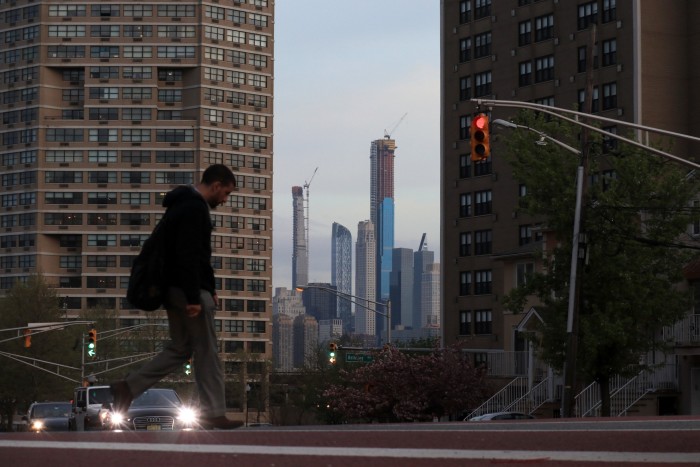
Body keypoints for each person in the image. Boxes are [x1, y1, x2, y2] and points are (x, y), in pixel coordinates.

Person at [110, 164, 242, 430]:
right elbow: (189, 256)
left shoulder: (180, 205)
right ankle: (213, 412)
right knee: (207, 351)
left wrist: (210, 287)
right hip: (187, 292)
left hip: (172, 289)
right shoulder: (195, 209)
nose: (225, 199)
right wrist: (195, 296)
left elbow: (194, 255)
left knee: (180, 348)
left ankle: (128, 386)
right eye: (225, 193)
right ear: (216, 185)